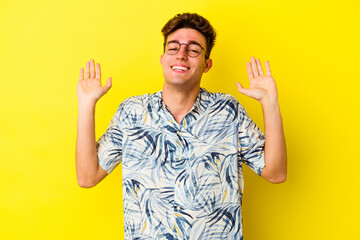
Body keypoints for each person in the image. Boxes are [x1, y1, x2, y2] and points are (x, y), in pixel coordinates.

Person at [76, 13, 287, 240]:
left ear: (207, 64)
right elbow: (88, 177)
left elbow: (275, 173)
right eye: (173, 48)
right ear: (162, 58)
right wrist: (87, 105)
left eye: (194, 49)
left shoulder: (228, 111)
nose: (182, 55)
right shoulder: (132, 112)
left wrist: (270, 104)